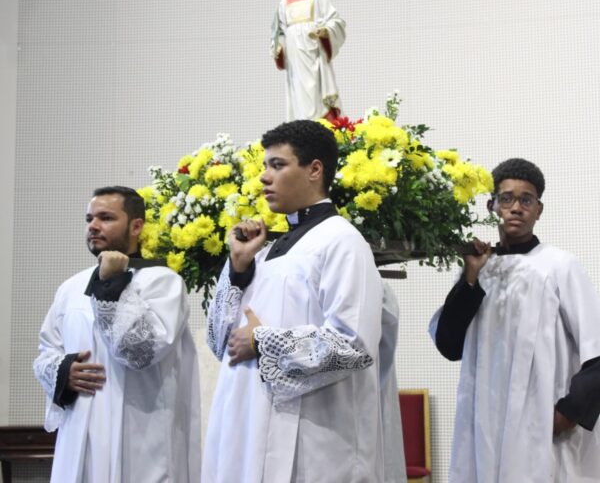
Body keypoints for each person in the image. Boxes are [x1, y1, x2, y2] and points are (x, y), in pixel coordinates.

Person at [202, 120, 406, 483]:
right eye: (265, 166)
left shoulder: (342, 241)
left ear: (314, 170)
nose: (264, 176)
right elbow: (220, 344)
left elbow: (352, 345)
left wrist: (262, 341)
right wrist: (237, 268)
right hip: (246, 429)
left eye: (278, 165)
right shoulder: (262, 253)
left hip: (316, 441)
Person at [430, 158, 600, 482]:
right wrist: (470, 277)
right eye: (506, 199)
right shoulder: (479, 269)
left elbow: (597, 354)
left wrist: (566, 415)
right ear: (492, 205)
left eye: (526, 200)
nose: (516, 208)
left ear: (539, 210)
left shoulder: (559, 266)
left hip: (542, 429)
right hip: (483, 428)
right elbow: (449, 345)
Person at [33, 186, 201, 483]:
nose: (93, 226)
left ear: (136, 226)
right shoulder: (71, 288)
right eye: (89, 219)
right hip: (80, 432)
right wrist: (64, 371)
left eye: (106, 218)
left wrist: (111, 284)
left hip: (141, 435)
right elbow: (47, 350)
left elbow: (142, 352)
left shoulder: (163, 283)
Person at [271, 0, 346, 122]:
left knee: (315, 90)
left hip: (313, 51)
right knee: (297, 90)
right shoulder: (283, 3)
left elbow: (336, 21)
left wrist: (325, 31)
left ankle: (321, 123)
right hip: (294, 54)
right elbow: (279, 33)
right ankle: (301, 124)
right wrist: (278, 48)